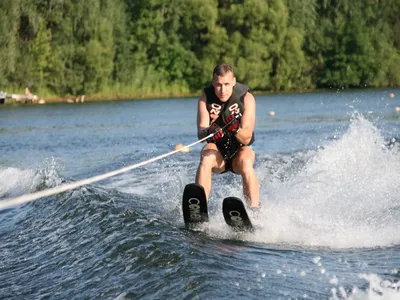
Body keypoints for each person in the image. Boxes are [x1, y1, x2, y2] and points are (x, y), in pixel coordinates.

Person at [195, 63, 260, 208]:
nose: (222, 90)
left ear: (234, 82)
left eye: (226, 84)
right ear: (213, 83)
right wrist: (209, 131)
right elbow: (201, 134)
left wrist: (235, 129)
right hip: (218, 155)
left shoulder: (247, 98)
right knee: (206, 155)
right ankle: (199, 208)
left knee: (246, 161)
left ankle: (255, 209)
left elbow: (247, 137)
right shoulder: (205, 98)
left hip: (239, 153)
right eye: (218, 85)